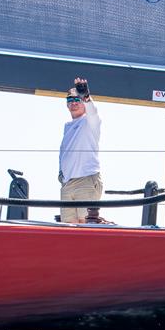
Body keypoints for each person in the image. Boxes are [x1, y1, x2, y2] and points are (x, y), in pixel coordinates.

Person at [59, 77, 102, 223]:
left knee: (86, 224)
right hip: (67, 184)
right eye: (70, 100)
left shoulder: (89, 121)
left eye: (77, 100)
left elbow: (93, 111)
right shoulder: (67, 126)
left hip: (86, 180)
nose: (74, 103)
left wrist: (86, 96)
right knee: (68, 228)